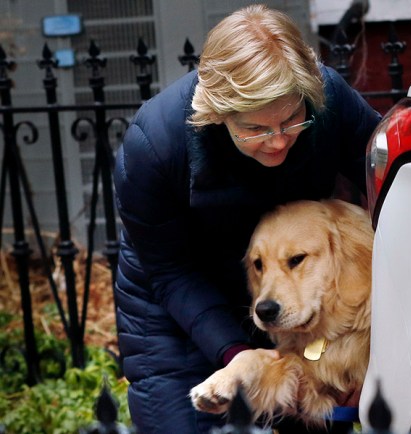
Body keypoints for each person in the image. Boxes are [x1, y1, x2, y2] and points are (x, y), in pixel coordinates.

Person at [112, 4, 381, 434]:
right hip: (179, 299)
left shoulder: (327, 100)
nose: (277, 143)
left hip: (292, 285)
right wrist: (236, 353)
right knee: (183, 422)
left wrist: (366, 355)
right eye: (255, 129)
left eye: (292, 120)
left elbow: (388, 188)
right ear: (217, 115)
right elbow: (171, 272)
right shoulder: (154, 147)